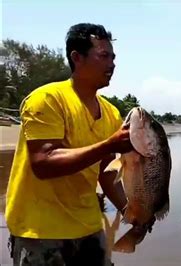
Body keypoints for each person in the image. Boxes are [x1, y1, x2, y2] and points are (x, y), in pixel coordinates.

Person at [5, 23, 133, 266]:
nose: (112, 64)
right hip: (41, 232)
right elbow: (44, 164)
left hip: (89, 228)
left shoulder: (110, 113)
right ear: (77, 57)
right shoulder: (47, 99)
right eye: (104, 56)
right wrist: (108, 145)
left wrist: (131, 212)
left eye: (113, 57)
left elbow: (107, 174)